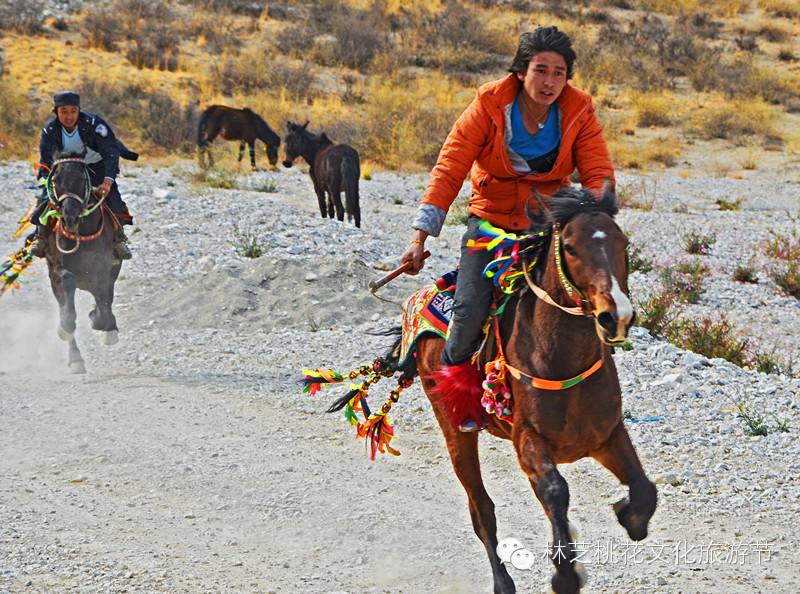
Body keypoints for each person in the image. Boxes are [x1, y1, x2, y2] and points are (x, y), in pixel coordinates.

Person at [400, 26, 615, 431]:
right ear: (521, 71)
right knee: (468, 311)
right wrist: (420, 238)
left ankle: (585, 397)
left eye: (559, 73)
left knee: (584, 301)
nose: (550, 82)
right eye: (541, 70)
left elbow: (598, 172)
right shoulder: (488, 105)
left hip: (548, 226)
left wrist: (598, 222)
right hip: (490, 226)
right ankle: (459, 397)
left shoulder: (579, 110)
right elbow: (450, 168)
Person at [28, 91, 138, 260]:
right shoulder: (49, 131)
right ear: (56, 112)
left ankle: (118, 239)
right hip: (65, 171)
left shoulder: (95, 125)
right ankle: (40, 237)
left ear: (79, 110)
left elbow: (111, 153)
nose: (69, 116)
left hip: (96, 169)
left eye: (73, 111)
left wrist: (108, 182)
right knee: (45, 200)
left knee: (114, 201)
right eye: (63, 111)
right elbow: (44, 162)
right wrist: (49, 182)